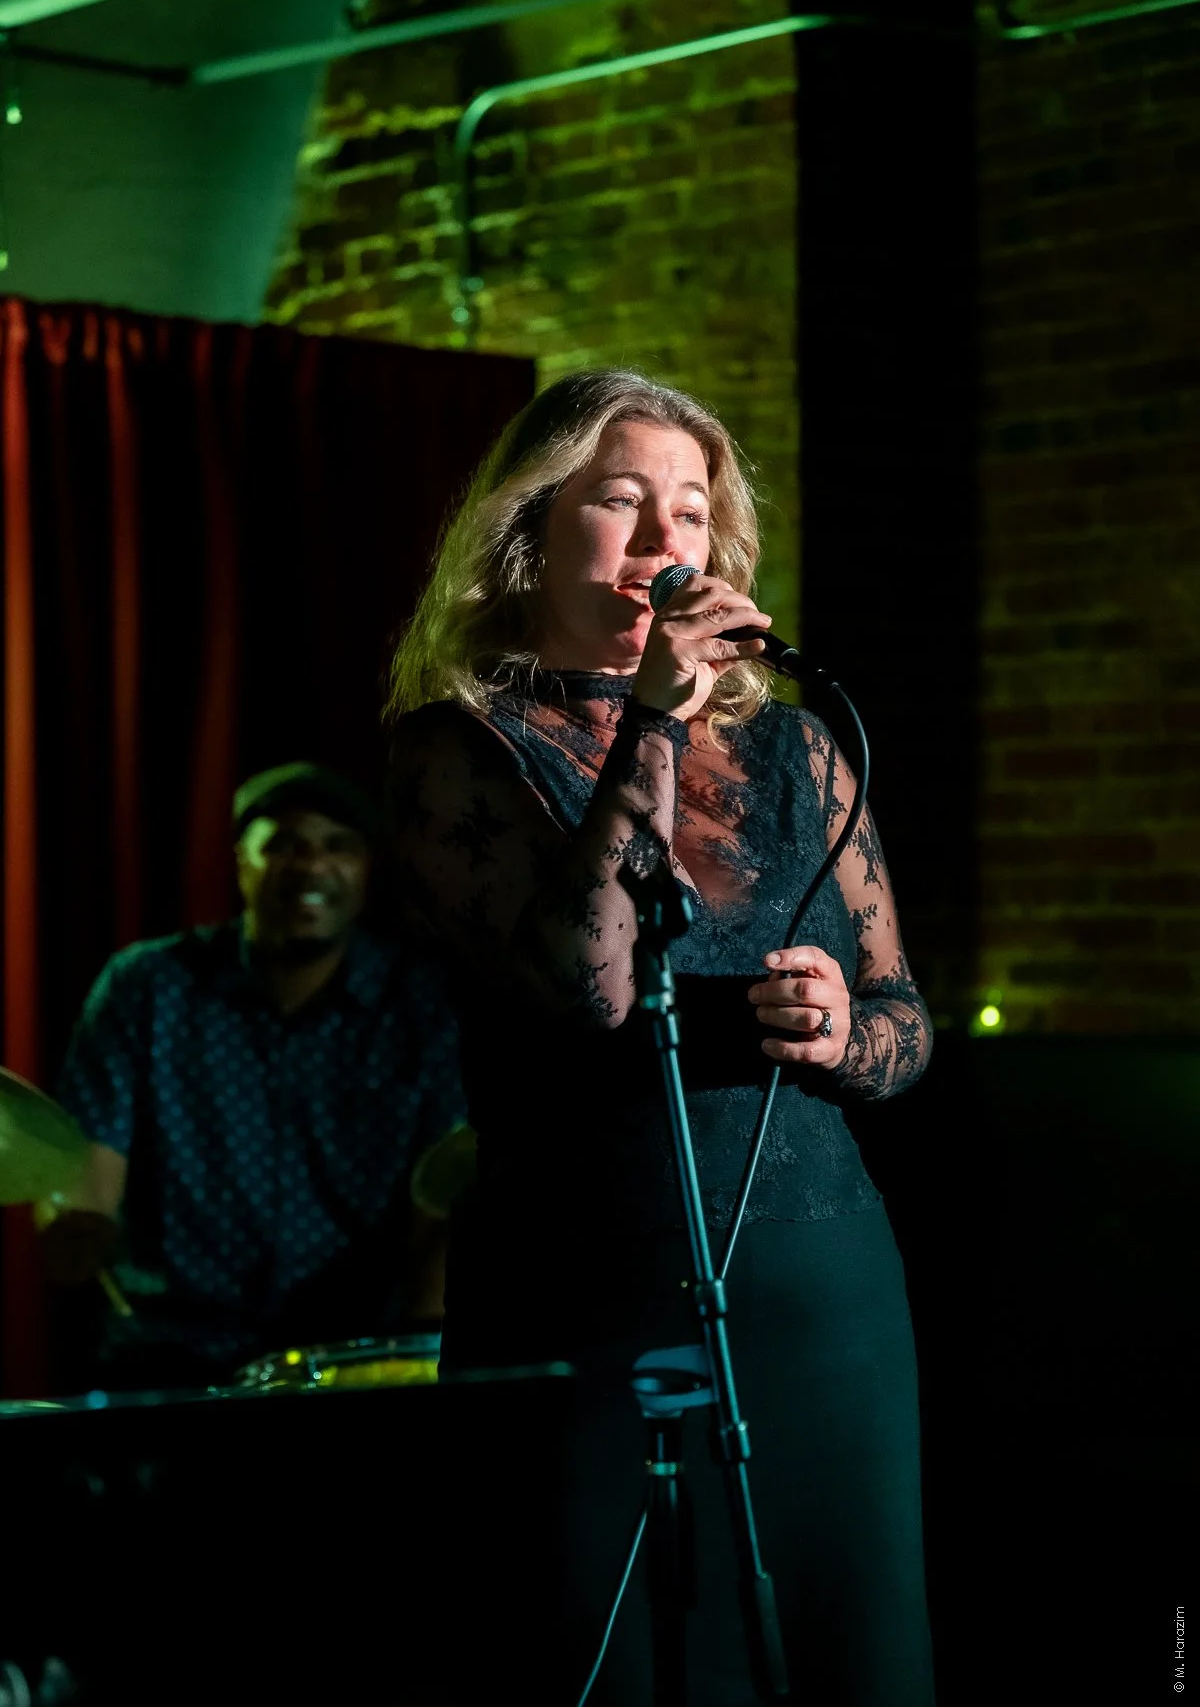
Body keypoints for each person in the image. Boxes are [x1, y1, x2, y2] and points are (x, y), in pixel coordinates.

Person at [386, 370, 936, 1706]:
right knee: (613, 1660)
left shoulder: (803, 752)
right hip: (589, 1284)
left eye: (688, 509)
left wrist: (839, 1030)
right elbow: (590, 989)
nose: (661, 543)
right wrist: (651, 722)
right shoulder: (459, 747)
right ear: (532, 528)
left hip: (823, 1292)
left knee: (848, 1655)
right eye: (621, 501)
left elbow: (910, 1019)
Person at [43, 761, 466, 1390]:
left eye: (336, 846)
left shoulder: (420, 1003)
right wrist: (76, 1224)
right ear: (241, 860)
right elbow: (86, 1161)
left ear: (367, 868)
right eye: (284, 845)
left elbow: (448, 1187)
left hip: (352, 1358)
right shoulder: (148, 987)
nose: (310, 867)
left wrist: (423, 1350)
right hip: (167, 1353)